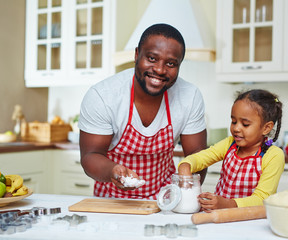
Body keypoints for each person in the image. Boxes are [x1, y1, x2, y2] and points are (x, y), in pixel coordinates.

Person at [78, 23, 207, 200]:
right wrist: (113, 171)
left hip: (165, 200)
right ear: (137, 54)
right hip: (111, 203)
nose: (160, 70)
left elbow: (198, 157)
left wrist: (187, 193)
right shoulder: (103, 96)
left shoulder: (189, 96)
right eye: (152, 59)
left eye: (171, 63)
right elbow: (90, 156)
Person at [178, 89, 285, 210]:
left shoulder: (273, 155)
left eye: (245, 124)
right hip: (221, 215)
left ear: (266, 128)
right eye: (234, 121)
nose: (236, 128)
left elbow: (262, 199)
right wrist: (186, 165)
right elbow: (201, 158)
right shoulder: (229, 144)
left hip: (252, 220)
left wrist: (228, 204)